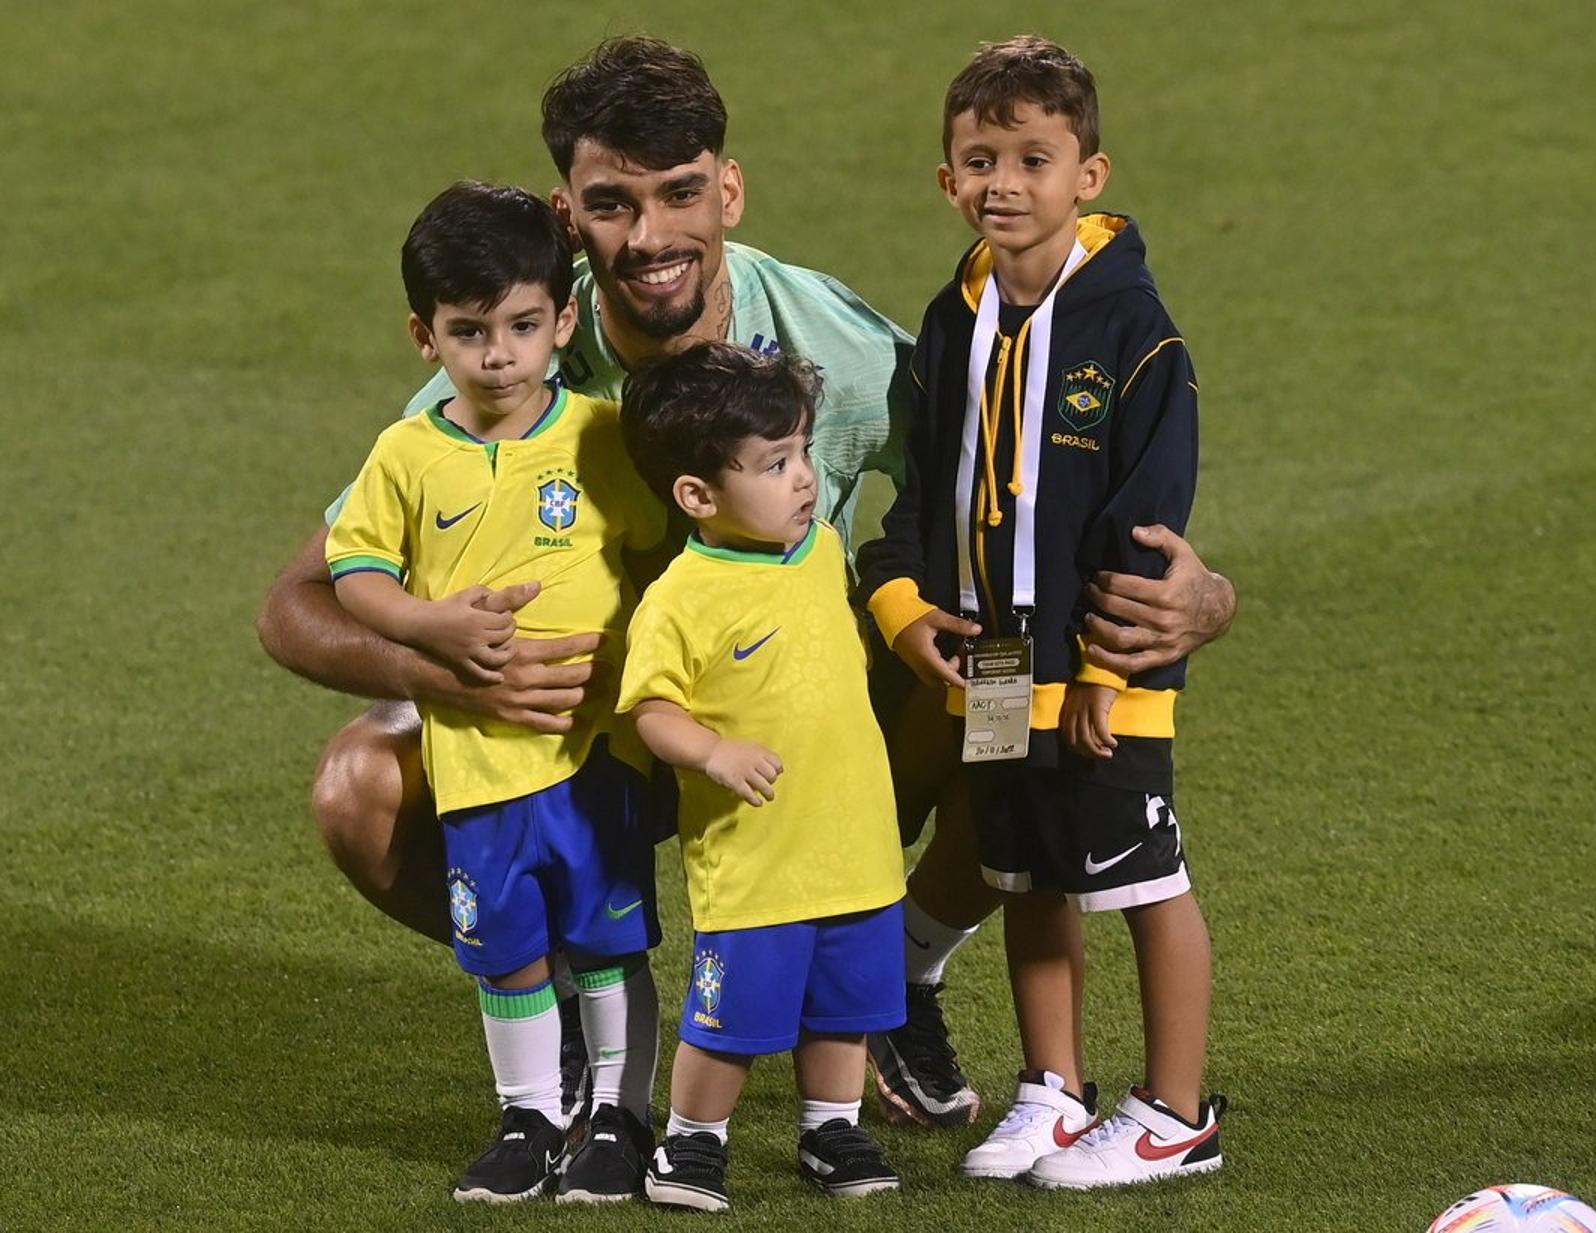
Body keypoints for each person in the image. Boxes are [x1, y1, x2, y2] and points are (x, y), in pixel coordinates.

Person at [255, 34, 1238, 1134]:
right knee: (359, 786)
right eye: (612, 202)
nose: (652, 235)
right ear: (567, 211)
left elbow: (1017, 499)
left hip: (806, 724)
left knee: (1003, 700)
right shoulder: (517, 351)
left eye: (681, 193)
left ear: (729, 187)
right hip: (586, 728)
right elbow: (296, 604)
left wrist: (1203, 600)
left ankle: (898, 967)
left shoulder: (844, 350)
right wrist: (449, 670)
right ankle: (570, 994)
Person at [858, 36, 1221, 1189]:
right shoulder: (953, 320)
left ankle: (1175, 1114)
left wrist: (1114, 675)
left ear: (1089, 175)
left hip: (1104, 669)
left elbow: (1148, 523)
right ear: (947, 181)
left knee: (1143, 879)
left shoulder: (1134, 331)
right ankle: (1052, 1091)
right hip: (999, 661)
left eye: (1032, 157)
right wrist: (909, 606)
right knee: (1025, 875)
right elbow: (921, 487)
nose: (1003, 182)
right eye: (980, 159)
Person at [325, 182, 666, 1202]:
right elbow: (356, 573)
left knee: (608, 944)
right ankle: (529, 1114)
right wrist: (433, 625)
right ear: (424, 337)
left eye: (523, 325)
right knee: (507, 951)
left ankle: (621, 1116)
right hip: (472, 764)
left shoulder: (607, 438)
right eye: (469, 332)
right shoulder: (406, 453)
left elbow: (662, 566)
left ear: (565, 321)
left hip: (593, 755)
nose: (499, 354)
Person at [618, 343, 907, 1209]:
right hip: (756, 864)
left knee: (844, 1009)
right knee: (732, 1020)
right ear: (698, 496)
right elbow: (651, 709)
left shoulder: (820, 550)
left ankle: (830, 1126)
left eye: (806, 452)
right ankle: (691, 1142)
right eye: (776, 463)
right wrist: (713, 752)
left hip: (854, 846)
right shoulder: (682, 595)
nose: (805, 479)